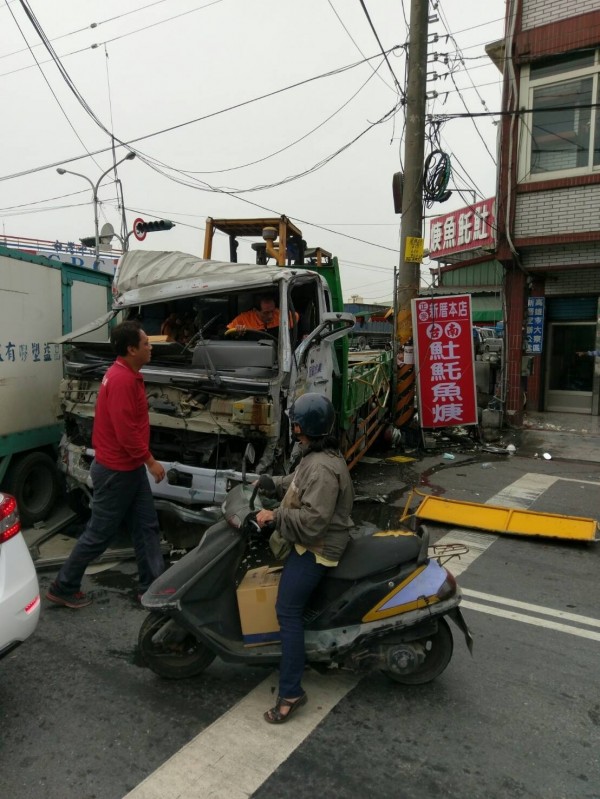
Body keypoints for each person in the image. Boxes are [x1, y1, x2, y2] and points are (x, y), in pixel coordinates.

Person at [46, 321, 166, 609]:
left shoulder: (124, 374)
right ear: (131, 349)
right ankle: (64, 585)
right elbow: (126, 432)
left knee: (146, 526)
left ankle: (152, 587)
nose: (151, 347)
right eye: (146, 343)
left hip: (127, 468)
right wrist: (150, 461)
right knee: (99, 533)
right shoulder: (123, 380)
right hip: (117, 471)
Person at [256, 393, 354, 724]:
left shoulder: (325, 468)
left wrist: (276, 517)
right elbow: (298, 483)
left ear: (304, 426)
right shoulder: (315, 456)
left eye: (295, 422)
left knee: (287, 611)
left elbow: (313, 523)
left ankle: (291, 692)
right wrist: (270, 483)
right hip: (308, 541)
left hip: (318, 548)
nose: (293, 427)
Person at [226, 293, 298, 334]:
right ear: (255, 310)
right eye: (266, 313)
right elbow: (225, 333)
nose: (270, 316)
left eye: (272, 311)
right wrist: (235, 333)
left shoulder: (283, 315)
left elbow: (299, 318)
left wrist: (305, 333)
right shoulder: (244, 319)